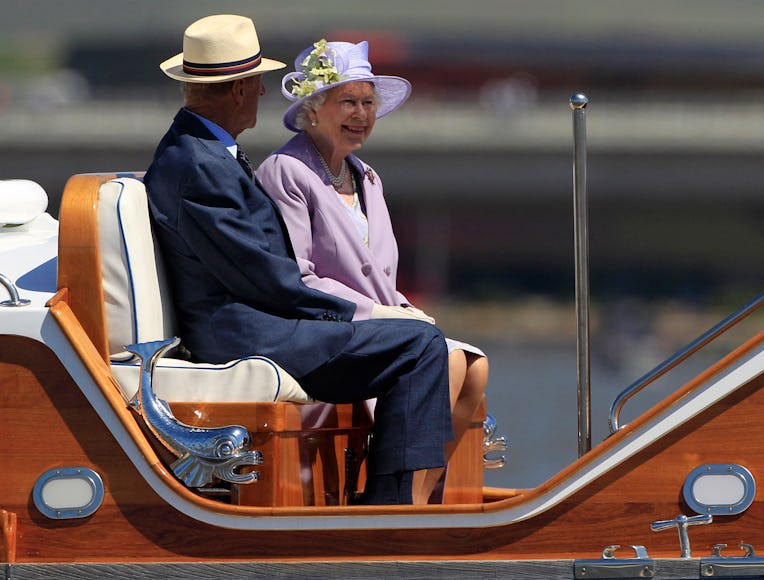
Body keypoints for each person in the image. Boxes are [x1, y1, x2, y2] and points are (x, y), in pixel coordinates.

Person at [144, 14, 453, 505]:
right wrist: (359, 313)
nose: (265, 95)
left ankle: (396, 503)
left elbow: (261, 269)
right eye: (259, 83)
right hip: (242, 331)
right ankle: (390, 510)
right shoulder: (198, 162)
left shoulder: (201, 152)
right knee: (417, 345)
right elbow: (262, 276)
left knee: (416, 339)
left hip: (254, 318)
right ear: (240, 89)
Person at [256, 39, 489, 503]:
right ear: (313, 108)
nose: (361, 114)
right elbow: (296, 276)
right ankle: (396, 503)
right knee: (442, 359)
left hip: (383, 323)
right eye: (347, 102)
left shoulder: (366, 176)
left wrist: (405, 311)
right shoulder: (286, 170)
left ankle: (418, 500)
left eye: (368, 103)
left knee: (475, 367)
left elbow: (382, 276)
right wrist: (385, 316)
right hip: (326, 328)